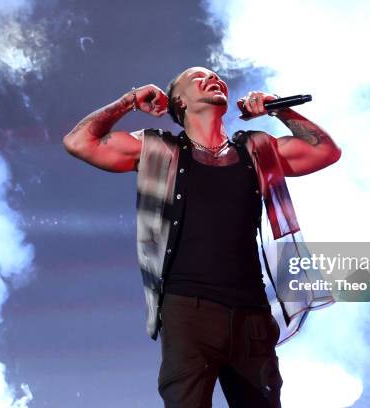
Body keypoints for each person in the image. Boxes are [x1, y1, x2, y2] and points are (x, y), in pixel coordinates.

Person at [63, 66, 341, 407]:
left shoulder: (255, 148)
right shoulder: (157, 148)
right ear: (178, 101)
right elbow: (79, 142)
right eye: (198, 78)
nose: (214, 80)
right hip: (188, 312)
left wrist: (279, 110)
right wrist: (129, 101)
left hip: (251, 314)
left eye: (217, 78)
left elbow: (326, 151)